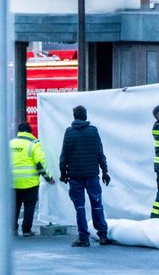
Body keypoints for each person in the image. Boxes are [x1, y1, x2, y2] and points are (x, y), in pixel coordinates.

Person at [59, 105, 112, 248]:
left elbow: (64, 156)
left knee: (80, 207)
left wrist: (63, 173)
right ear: (85, 116)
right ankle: (102, 234)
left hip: (75, 176)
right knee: (97, 204)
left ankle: (83, 237)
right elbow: (100, 153)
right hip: (92, 174)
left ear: (74, 116)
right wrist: (105, 171)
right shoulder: (93, 131)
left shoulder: (69, 132)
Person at [10, 122, 54, 237]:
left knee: (14, 206)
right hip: (29, 182)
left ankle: (12, 229)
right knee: (29, 206)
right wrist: (48, 178)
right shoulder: (34, 144)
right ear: (30, 132)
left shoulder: (10, 144)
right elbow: (40, 164)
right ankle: (26, 230)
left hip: (12, 182)